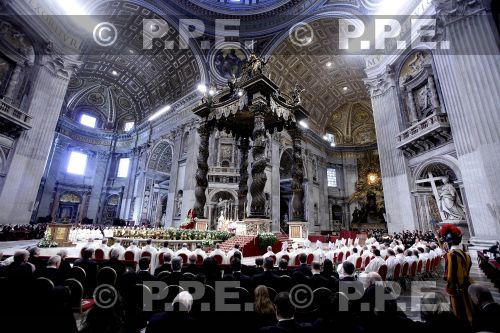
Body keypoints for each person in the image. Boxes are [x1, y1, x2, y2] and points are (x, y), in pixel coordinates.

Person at [440, 224, 474, 324]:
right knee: (468, 306)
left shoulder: (451, 255)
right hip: (467, 284)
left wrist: (448, 283)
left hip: (457, 288)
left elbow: (449, 276)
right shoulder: (466, 255)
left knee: (459, 311)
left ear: (448, 242)